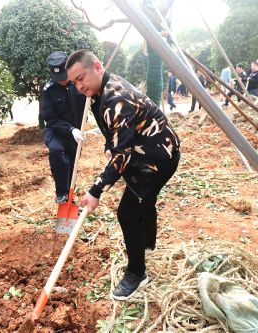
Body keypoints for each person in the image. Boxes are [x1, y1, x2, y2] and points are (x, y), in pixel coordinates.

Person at [66, 49, 180, 300]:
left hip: (158, 157)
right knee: (143, 199)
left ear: (97, 66)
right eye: (74, 82)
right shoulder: (101, 91)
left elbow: (123, 155)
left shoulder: (115, 98)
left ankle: (137, 273)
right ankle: (148, 245)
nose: (78, 86)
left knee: (128, 212)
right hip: (150, 150)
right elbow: (118, 135)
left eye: (81, 78)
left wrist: (96, 190)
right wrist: (111, 146)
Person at [42, 51, 86, 204]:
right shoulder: (49, 90)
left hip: (76, 132)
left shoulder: (79, 83)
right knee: (56, 151)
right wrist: (70, 129)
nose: (61, 81)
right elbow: (50, 118)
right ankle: (61, 192)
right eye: (57, 78)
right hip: (56, 131)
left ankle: (69, 198)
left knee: (72, 163)